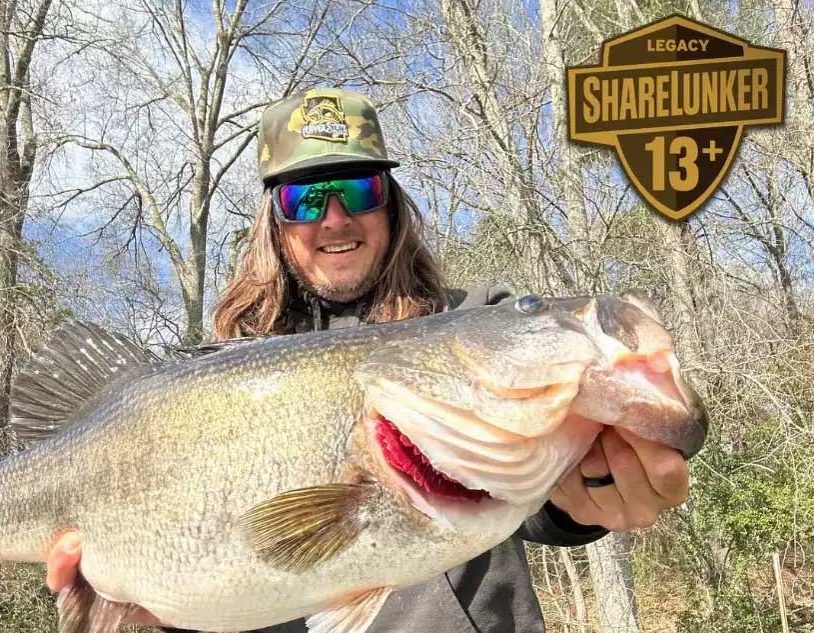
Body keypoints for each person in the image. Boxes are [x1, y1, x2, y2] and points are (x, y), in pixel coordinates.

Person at [46, 87, 690, 632]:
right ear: (274, 221)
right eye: (304, 199)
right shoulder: (204, 379)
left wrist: (590, 488)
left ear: (391, 202)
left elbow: (537, 488)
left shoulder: (474, 317)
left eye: (358, 189)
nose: (334, 219)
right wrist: (150, 610)